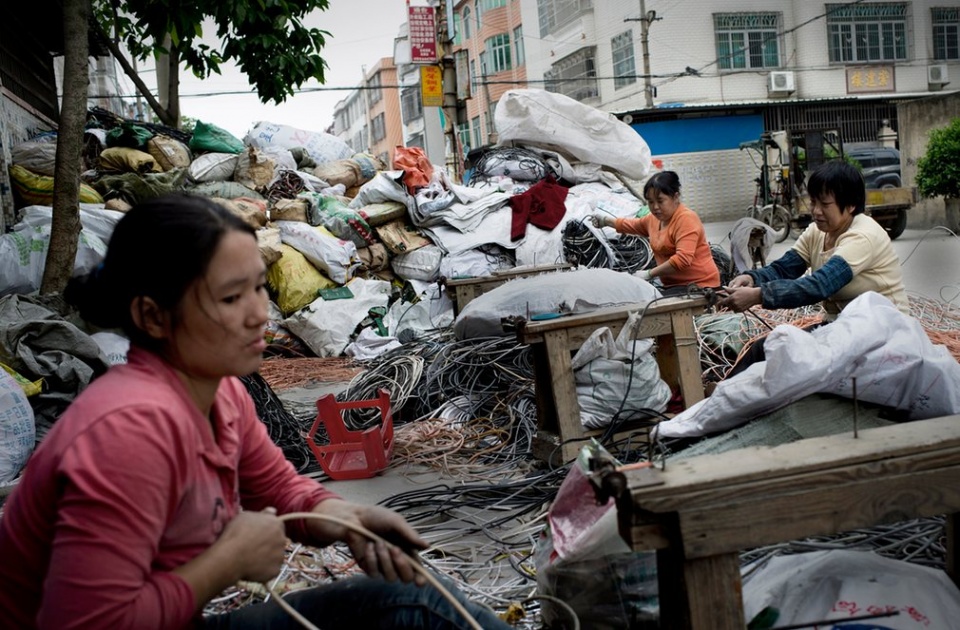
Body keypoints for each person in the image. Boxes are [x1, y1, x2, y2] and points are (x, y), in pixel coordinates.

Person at [0, 195, 511, 630]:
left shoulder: (222, 394)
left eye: (259, 287)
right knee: (413, 611)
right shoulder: (128, 433)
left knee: (418, 601)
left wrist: (347, 518)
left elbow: (281, 490)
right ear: (153, 316)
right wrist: (226, 563)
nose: (259, 313)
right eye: (231, 296)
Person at [717, 160, 910, 375]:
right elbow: (784, 268)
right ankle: (723, 397)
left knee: (789, 358)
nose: (816, 211)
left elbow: (820, 285)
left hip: (881, 331)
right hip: (842, 327)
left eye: (825, 205)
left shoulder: (862, 236)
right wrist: (752, 278)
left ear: (850, 206)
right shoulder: (817, 232)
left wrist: (758, 295)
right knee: (761, 350)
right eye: (813, 202)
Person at [589, 170, 720, 294]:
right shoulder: (654, 219)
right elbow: (634, 225)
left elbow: (682, 260)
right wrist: (606, 221)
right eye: (651, 202)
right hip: (673, 286)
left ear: (675, 197)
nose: (655, 207)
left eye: (660, 201)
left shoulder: (686, 219)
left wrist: (649, 274)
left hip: (700, 286)